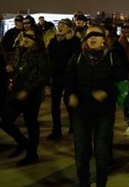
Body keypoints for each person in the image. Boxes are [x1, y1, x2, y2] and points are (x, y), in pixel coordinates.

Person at [64, 25, 128, 187]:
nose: (92, 38)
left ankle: (101, 181)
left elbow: (121, 82)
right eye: (89, 35)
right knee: (82, 151)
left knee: (101, 150)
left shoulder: (112, 58)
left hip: (103, 111)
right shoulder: (78, 58)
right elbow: (69, 80)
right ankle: (83, 181)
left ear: (103, 40)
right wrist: (70, 95)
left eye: (97, 35)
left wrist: (106, 92)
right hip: (81, 111)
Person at [1, 27, 50, 166]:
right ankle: (23, 143)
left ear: (37, 40)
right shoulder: (19, 50)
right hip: (16, 92)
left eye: (30, 37)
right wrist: (10, 68)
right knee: (5, 120)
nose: (26, 39)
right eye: (25, 36)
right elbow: (14, 64)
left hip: (32, 95)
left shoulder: (41, 55)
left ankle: (32, 153)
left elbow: (44, 77)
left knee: (31, 123)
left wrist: (27, 91)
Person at [47, 18, 81, 139]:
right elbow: (50, 58)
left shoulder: (75, 42)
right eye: (59, 24)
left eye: (63, 25)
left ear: (69, 28)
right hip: (56, 76)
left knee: (69, 102)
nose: (60, 26)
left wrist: (67, 40)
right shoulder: (53, 42)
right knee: (54, 104)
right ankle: (56, 129)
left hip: (70, 76)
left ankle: (74, 125)